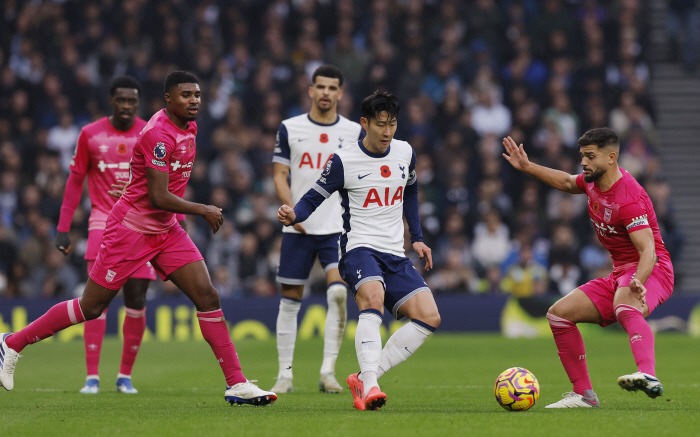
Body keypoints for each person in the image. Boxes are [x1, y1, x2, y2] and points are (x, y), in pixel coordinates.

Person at [1, 71, 277, 406]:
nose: (194, 101)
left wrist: (175, 214)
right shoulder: (158, 134)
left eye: (198, 95)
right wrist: (202, 209)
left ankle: (237, 383)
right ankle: (13, 343)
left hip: (165, 229)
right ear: (168, 99)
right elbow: (159, 196)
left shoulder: (189, 127)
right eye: (186, 95)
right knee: (92, 306)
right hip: (130, 230)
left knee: (207, 295)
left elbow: (167, 189)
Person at [277, 92, 440, 411]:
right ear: (364, 123)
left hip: (394, 253)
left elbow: (411, 191)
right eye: (380, 124)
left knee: (429, 317)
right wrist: (294, 214)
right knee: (373, 300)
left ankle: (367, 378)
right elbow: (313, 196)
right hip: (358, 249)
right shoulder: (343, 160)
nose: (387, 131)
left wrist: (417, 237)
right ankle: (371, 387)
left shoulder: (405, 152)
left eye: (392, 124)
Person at [501, 128, 674, 408]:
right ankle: (584, 396)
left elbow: (648, 251)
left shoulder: (628, 198)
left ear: (611, 157)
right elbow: (568, 182)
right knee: (559, 315)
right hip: (622, 273)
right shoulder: (593, 182)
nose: (584, 162)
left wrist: (638, 281)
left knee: (624, 305)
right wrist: (528, 166)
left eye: (590, 156)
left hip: (652, 269)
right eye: (582, 155)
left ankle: (649, 375)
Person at [55, 76, 172, 395]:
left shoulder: (150, 132)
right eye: (121, 100)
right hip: (102, 222)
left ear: (138, 103)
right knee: (96, 300)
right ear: (111, 101)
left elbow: (165, 181)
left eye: (132, 101)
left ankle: (124, 377)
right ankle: (91, 377)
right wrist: (63, 228)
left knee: (136, 298)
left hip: (141, 223)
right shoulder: (90, 135)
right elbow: (75, 180)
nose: (126, 106)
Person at [271, 65, 363, 394]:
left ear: (340, 93)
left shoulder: (354, 132)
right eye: (320, 87)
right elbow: (280, 174)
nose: (325, 92)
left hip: (337, 227)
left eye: (332, 88)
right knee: (290, 300)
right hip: (298, 228)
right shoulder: (289, 128)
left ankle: (327, 372)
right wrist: (294, 213)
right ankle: (285, 375)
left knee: (338, 293)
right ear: (310, 91)